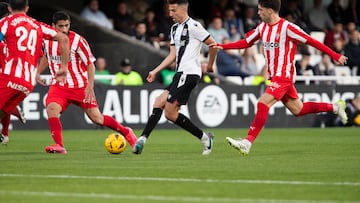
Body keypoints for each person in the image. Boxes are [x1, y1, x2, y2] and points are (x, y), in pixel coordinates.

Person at [211, 0, 348, 156]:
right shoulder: (262, 28)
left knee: (263, 103)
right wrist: (223, 46)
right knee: (299, 109)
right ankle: (335, 107)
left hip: (284, 76)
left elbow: (312, 41)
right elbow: (246, 42)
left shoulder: (288, 28)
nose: (258, 13)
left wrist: (335, 55)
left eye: (260, 10)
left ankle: (247, 142)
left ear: (270, 10)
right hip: (275, 77)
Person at [36, 11, 137, 154]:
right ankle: (59, 145)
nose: (64, 29)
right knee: (52, 108)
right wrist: (38, 72)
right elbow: (47, 56)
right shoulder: (46, 40)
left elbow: (90, 64)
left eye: (66, 25)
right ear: (53, 26)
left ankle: (126, 132)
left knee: (97, 118)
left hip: (80, 86)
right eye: (60, 26)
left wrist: (90, 86)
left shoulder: (78, 41)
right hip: (59, 85)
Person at [133, 0, 218, 155]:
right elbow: (172, 55)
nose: (170, 14)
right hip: (179, 74)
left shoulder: (194, 26)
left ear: (183, 9)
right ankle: (142, 139)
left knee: (169, 113)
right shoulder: (174, 29)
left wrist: (211, 65)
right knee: (160, 103)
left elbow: (213, 45)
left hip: (190, 74)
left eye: (173, 11)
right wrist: (155, 70)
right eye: (169, 10)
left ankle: (205, 139)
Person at [0, 0, 69, 145]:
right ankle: (5, 132)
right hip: (27, 84)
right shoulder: (37, 25)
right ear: (27, 8)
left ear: (10, 8)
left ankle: (7, 126)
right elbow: (63, 38)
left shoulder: (5, 22)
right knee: (3, 112)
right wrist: (63, 67)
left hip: (8, 77)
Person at [0, 2, 26, 144]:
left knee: (3, 105)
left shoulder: (5, 26)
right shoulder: (17, 28)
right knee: (4, 106)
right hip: (12, 71)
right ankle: (4, 134)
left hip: (4, 71)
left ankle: (4, 133)